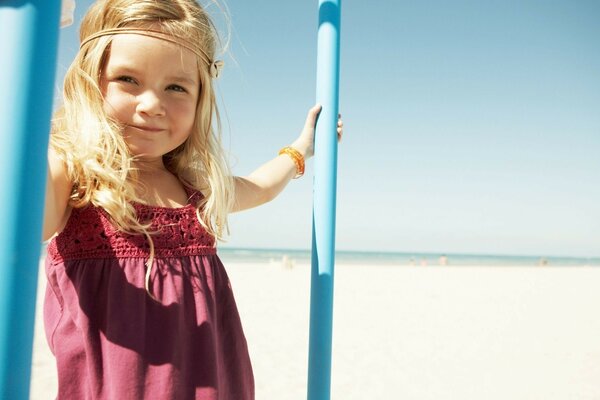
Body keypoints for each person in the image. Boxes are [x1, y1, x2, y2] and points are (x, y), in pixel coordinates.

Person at [42, 0, 343, 399]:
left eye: (176, 87)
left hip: (209, 382)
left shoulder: (193, 188)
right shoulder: (73, 173)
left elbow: (261, 186)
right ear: (88, 80)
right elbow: (25, 220)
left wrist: (302, 148)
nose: (152, 104)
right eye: (127, 79)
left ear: (201, 99)